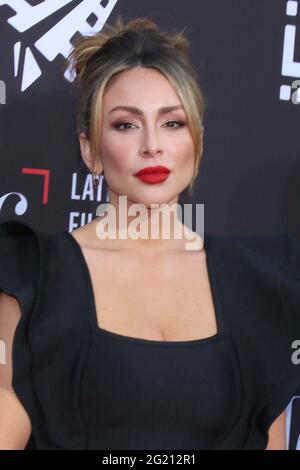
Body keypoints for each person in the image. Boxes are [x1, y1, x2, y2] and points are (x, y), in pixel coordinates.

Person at [0, 16, 300, 451]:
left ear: (197, 142)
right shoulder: (33, 276)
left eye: (172, 123)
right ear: (90, 150)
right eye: (126, 124)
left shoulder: (260, 281)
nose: (152, 145)